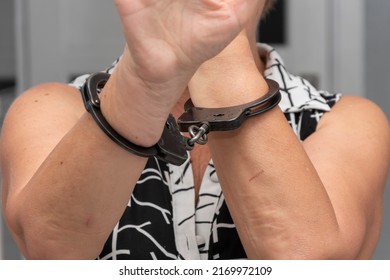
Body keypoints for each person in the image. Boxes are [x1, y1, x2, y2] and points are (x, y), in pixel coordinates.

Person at [1, 0, 389, 260]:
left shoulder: (346, 119)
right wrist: (145, 82)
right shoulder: (53, 108)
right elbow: (51, 254)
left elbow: (306, 261)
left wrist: (215, 42)